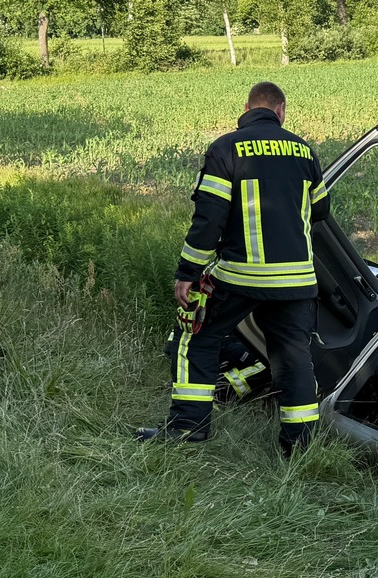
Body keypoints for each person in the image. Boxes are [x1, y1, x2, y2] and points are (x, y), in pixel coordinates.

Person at [136, 81, 329, 455]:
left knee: (200, 336)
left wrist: (188, 272)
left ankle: (188, 428)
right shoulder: (305, 151)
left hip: (242, 275)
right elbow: (320, 209)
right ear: (280, 112)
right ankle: (300, 447)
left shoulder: (226, 148)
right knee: (293, 357)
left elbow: (209, 218)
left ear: (246, 109)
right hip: (298, 280)